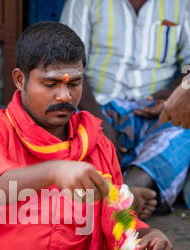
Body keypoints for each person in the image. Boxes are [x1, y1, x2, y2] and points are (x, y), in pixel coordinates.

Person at [0, 22, 174, 250]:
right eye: (50, 84)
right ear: (20, 80)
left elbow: (115, 215)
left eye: (75, 83)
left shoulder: (96, 143)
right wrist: (55, 171)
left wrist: (146, 235)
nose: (65, 96)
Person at [60, 0, 190, 219]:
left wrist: (172, 95)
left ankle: (123, 196)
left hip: (158, 112)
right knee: (74, 135)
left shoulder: (181, 4)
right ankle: (128, 199)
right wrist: (98, 120)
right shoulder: (84, 3)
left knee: (183, 128)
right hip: (95, 105)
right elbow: (68, 64)